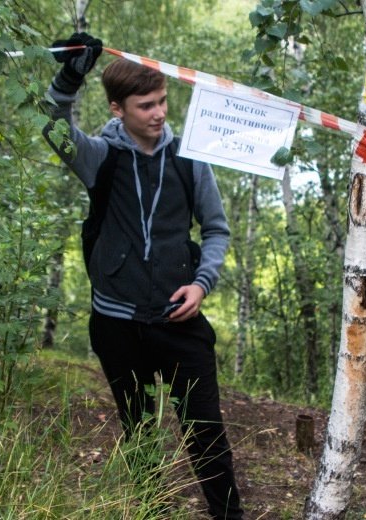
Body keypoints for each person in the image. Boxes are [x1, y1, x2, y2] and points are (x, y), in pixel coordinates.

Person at [42, 32, 243, 519]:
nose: (158, 113)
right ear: (117, 109)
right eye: (145, 105)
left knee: (204, 428)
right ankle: (153, 509)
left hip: (178, 319)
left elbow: (216, 229)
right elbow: (52, 125)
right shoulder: (99, 158)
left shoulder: (190, 157)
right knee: (138, 428)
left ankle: (228, 515)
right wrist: (70, 75)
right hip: (115, 322)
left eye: (162, 102)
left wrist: (201, 284)